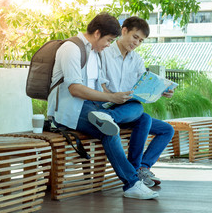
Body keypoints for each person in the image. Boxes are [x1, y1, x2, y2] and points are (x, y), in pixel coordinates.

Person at [47, 12, 159, 200]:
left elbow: (101, 85)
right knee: (109, 131)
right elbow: (75, 89)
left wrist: (113, 99)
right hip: (71, 110)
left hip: (94, 107)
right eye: (108, 40)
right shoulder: (71, 49)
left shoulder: (95, 53)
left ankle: (109, 119)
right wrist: (111, 98)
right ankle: (132, 184)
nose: (108, 45)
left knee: (139, 111)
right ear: (97, 33)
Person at [101, 16, 175, 187]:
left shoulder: (137, 60)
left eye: (140, 41)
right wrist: (113, 97)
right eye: (135, 37)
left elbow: (143, 87)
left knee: (166, 129)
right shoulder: (104, 53)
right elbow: (100, 85)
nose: (136, 43)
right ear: (124, 31)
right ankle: (135, 171)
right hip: (109, 105)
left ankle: (142, 167)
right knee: (144, 117)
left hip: (129, 110)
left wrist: (161, 91)